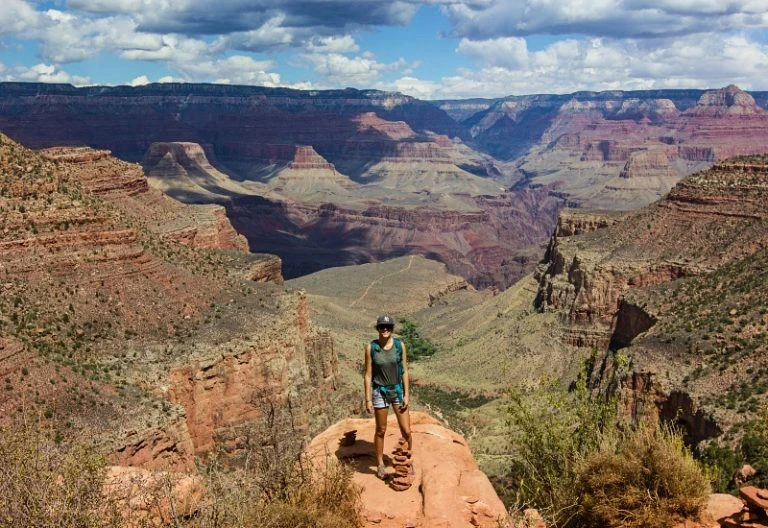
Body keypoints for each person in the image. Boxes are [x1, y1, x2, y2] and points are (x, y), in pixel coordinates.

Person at [364, 314, 413, 480]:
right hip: (380, 391)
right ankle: (380, 464)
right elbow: (368, 375)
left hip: (397, 390)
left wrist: (407, 394)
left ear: (392, 329)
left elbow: (405, 370)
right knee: (381, 430)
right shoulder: (371, 347)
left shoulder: (400, 346)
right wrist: (368, 399)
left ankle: (407, 459)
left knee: (406, 430)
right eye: (382, 327)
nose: (385, 330)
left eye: (388, 327)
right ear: (378, 329)